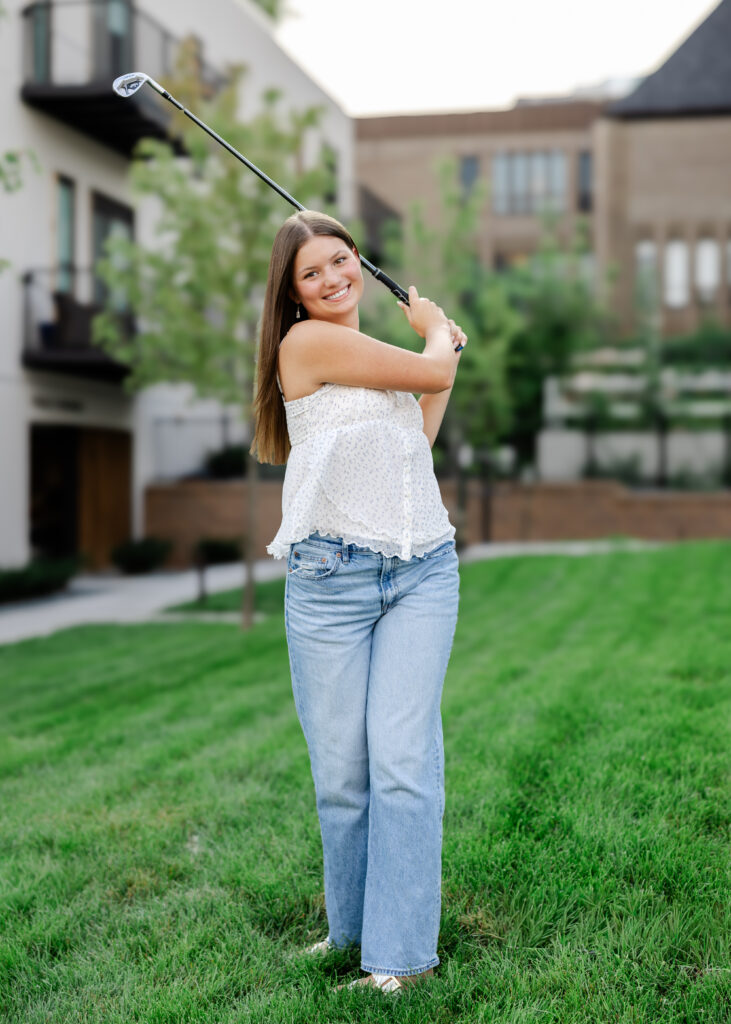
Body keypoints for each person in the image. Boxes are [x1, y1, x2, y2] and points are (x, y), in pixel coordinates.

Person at [250, 210, 466, 994]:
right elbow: (433, 370)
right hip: (328, 584)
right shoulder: (304, 344)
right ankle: (349, 930)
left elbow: (417, 434)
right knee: (342, 774)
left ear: (357, 260)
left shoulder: (378, 363)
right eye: (312, 272)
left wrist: (436, 355)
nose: (334, 278)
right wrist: (435, 332)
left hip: (418, 573)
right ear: (294, 293)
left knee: (402, 763)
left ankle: (396, 958)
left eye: (341, 261)